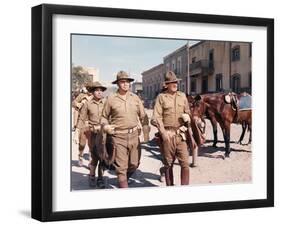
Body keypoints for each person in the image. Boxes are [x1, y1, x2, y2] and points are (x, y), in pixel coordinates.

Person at [101, 71, 146, 188]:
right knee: (121, 168)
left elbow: (143, 116)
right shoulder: (111, 99)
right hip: (118, 137)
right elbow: (103, 117)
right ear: (118, 84)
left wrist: (145, 133)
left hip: (134, 136)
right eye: (122, 82)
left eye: (127, 82)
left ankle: (124, 178)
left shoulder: (135, 98)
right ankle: (123, 187)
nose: (126, 84)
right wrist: (105, 127)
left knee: (134, 164)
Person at [151, 71, 191, 186]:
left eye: (176, 82)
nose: (175, 84)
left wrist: (188, 116)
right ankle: (170, 189)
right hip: (168, 136)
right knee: (168, 164)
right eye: (172, 82)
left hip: (181, 135)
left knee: (185, 164)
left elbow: (188, 112)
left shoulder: (182, 96)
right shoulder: (161, 97)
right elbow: (155, 118)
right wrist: (163, 133)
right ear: (166, 85)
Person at [78, 81, 107, 187]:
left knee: (103, 157)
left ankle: (100, 178)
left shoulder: (107, 102)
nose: (99, 92)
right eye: (96, 90)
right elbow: (82, 119)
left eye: (101, 90)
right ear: (92, 92)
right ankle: (91, 176)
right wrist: (81, 131)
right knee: (94, 156)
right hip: (93, 133)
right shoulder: (88, 104)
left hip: (105, 133)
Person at [72, 84, 93, 166]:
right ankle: (80, 156)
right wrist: (79, 104)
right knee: (82, 143)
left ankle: (91, 161)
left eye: (92, 89)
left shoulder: (95, 97)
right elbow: (73, 103)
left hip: (92, 123)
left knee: (91, 144)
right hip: (83, 123)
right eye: (89, 89)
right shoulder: (82, 96)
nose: (90, 90)